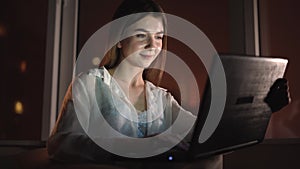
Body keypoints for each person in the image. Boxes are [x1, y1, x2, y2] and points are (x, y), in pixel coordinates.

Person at [47, 0, 290, 168]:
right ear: (120, 39)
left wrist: (263, 108)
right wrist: (130, 147)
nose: (153, 45)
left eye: (159, 37)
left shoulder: (160, 98)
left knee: (210, 158)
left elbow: (206, 135)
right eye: (142, 35)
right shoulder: (90, 84)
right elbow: (61, 143)